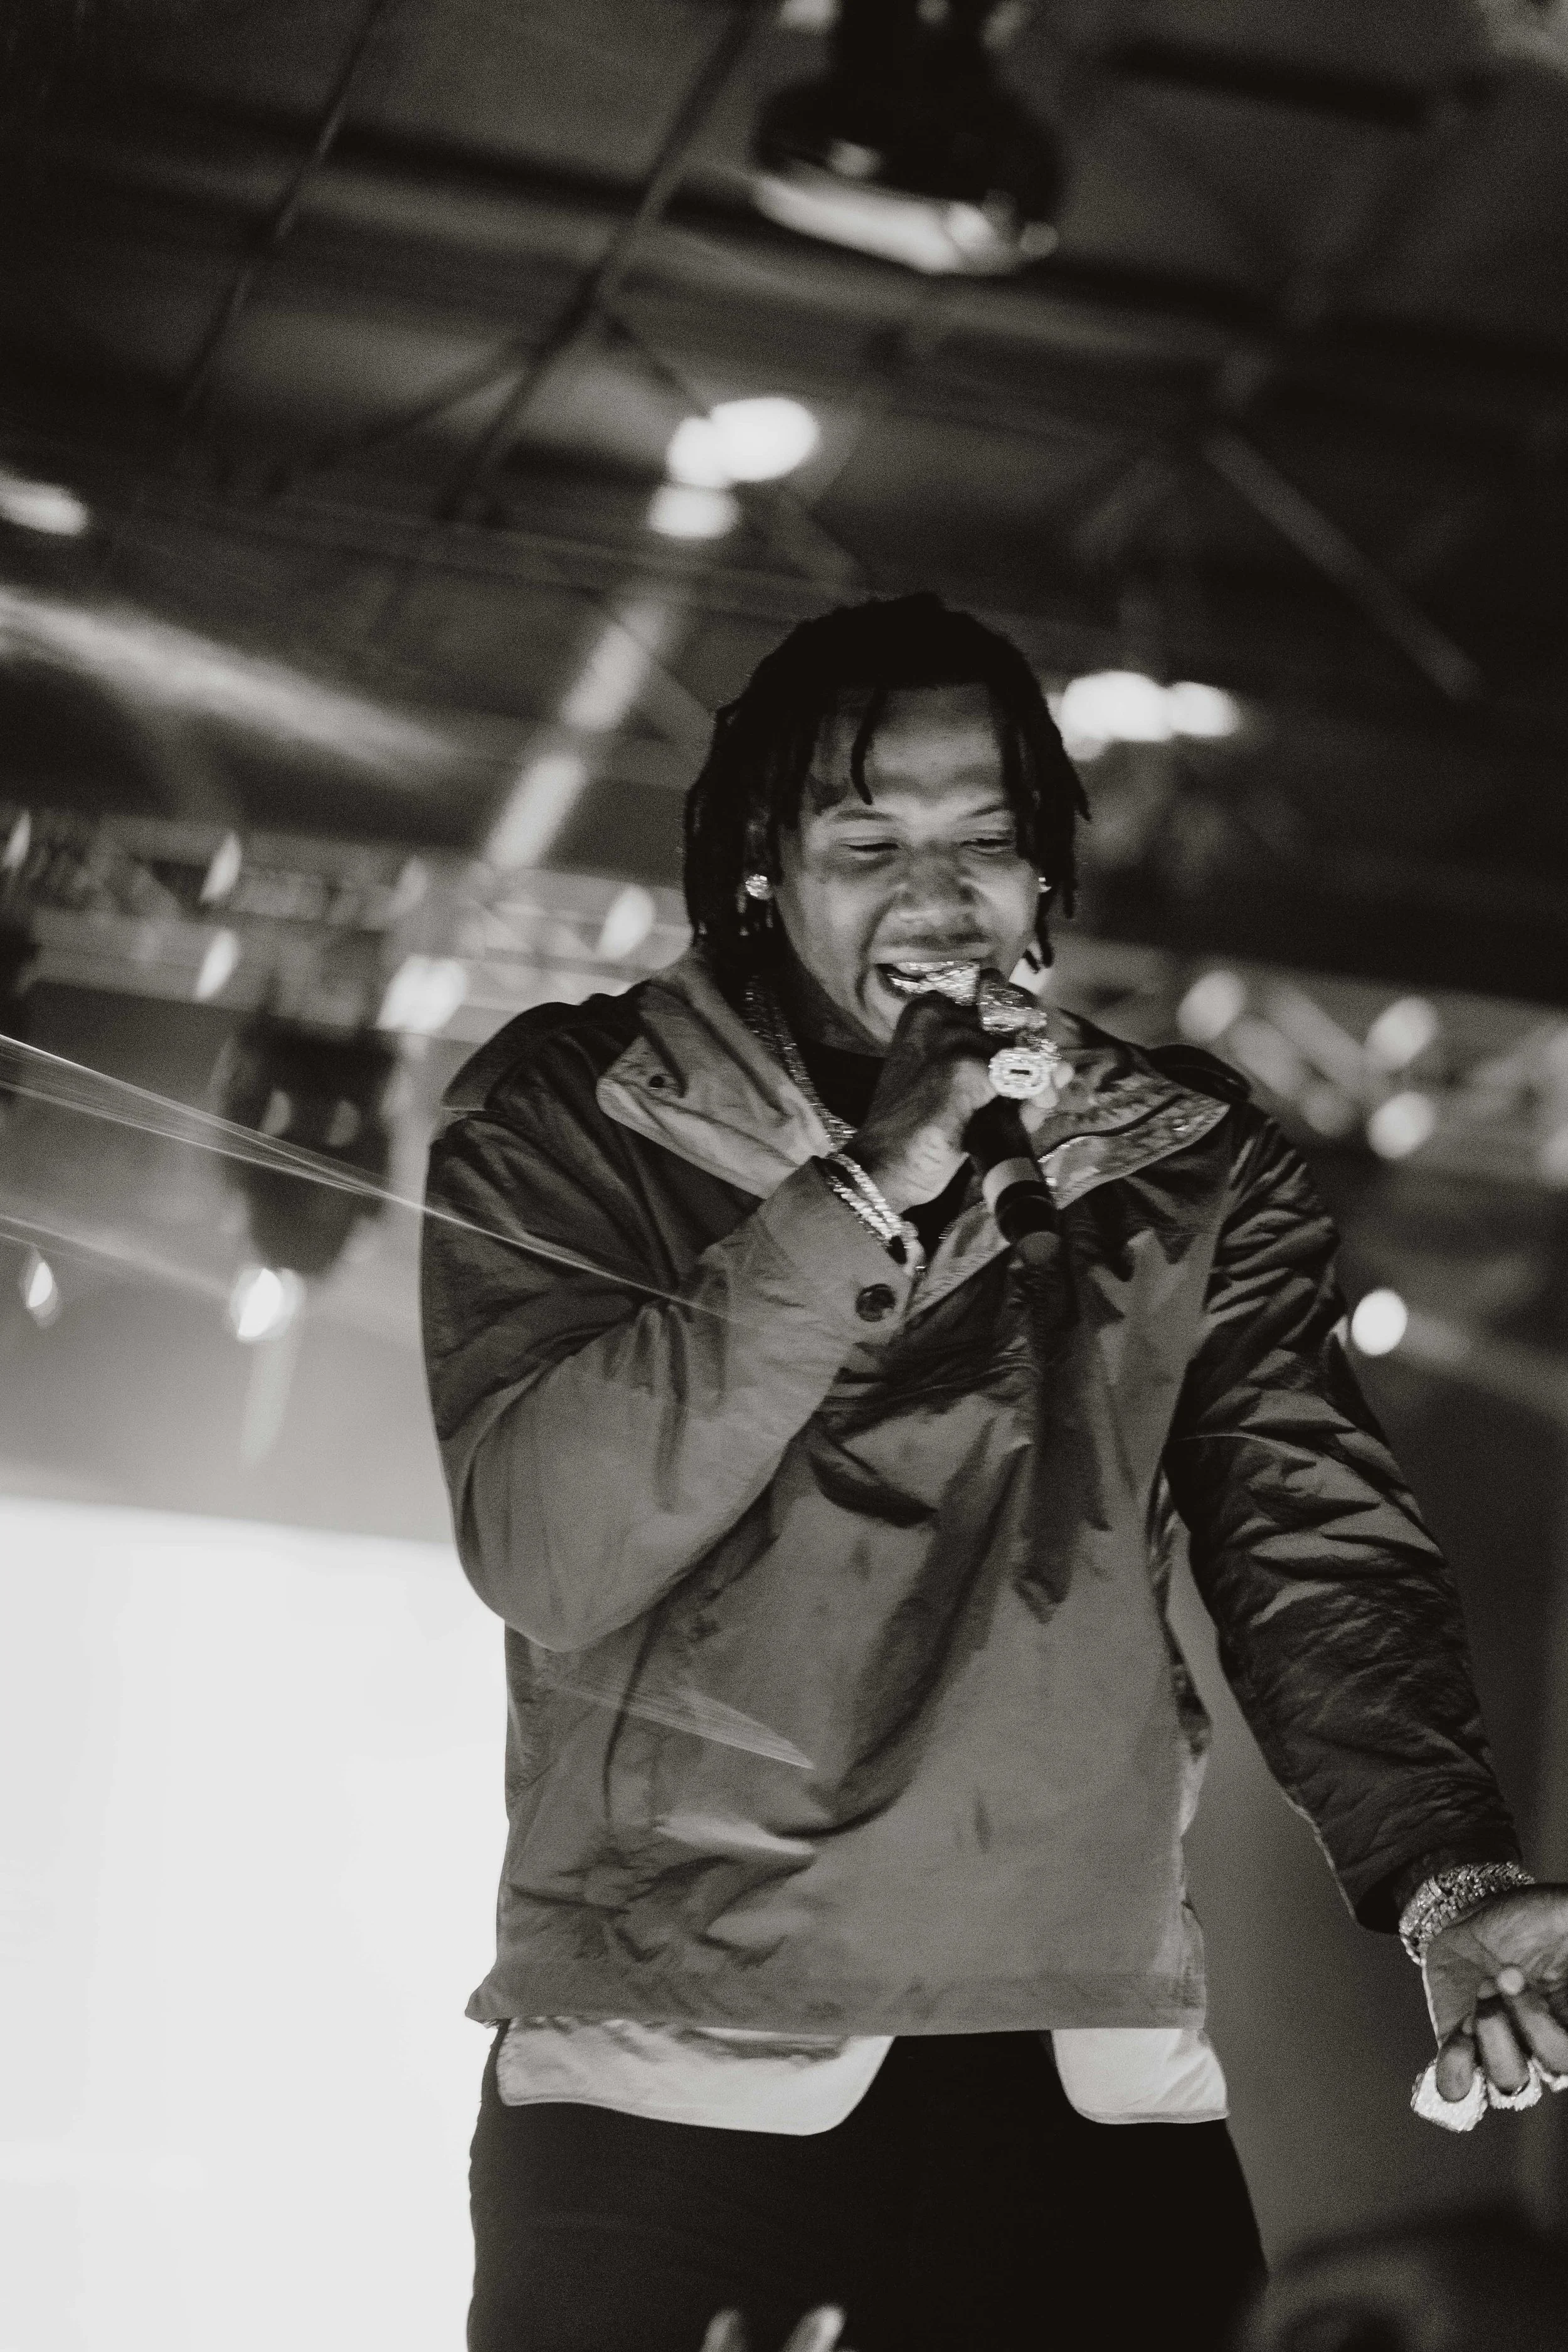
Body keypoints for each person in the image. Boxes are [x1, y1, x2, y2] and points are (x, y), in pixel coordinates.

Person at [421, 594, 1568, 2352]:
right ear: (758, 869)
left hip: (1083, 2065)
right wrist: (872, 1189)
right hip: (673, 2069)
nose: (938, 896)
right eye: (868, 840)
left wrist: (1448, 1878)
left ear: (1045, 878)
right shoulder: (574, 1113)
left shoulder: (1181, 1163)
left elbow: (1310, 1544)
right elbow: (551, 1548)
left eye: (985, 841)